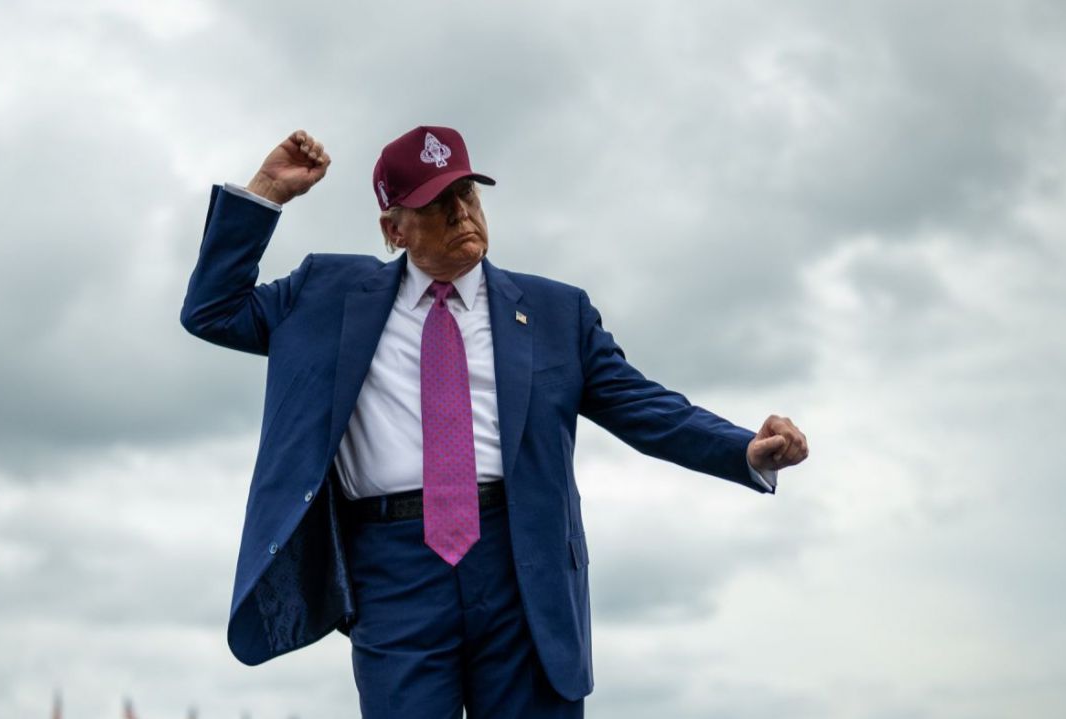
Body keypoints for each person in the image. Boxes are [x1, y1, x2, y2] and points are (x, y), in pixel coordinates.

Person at [180, 126, 808, 718]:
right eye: (436, 203)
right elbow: (213, 310)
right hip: (392, 572)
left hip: (522, 562)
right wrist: (266, 193)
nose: (461, 214)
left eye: (466, 194)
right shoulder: (326, 293)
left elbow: (643, 406)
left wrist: (744, 450)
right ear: (394, 229)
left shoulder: (558, 312)